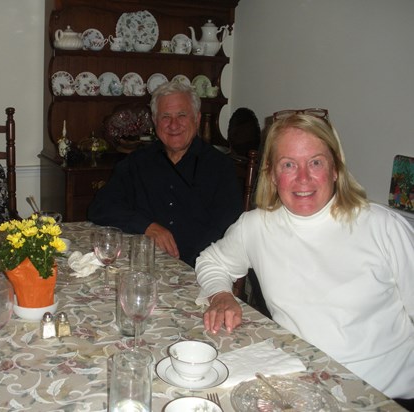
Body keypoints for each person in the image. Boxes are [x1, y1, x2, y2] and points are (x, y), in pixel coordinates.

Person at [196, 109, 414, 403]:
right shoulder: (257, 226)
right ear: (272, 174)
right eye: (288, 164)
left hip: (384, 396)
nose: (303, 178)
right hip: (301, 387)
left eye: (315, 162)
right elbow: (211, 261)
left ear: (335, 168)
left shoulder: (383, 227)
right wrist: (221, 295)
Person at [88, 82, 243, 267]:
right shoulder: (137, 162)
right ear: (155, 121)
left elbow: (226, 230)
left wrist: (184, 265)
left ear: (197, 118)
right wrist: (147, 226)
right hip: (142, 264)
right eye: (165, 117)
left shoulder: (220, 167)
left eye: (182, 115)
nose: (173, 125)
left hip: (198, 270)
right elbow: (100, 207)